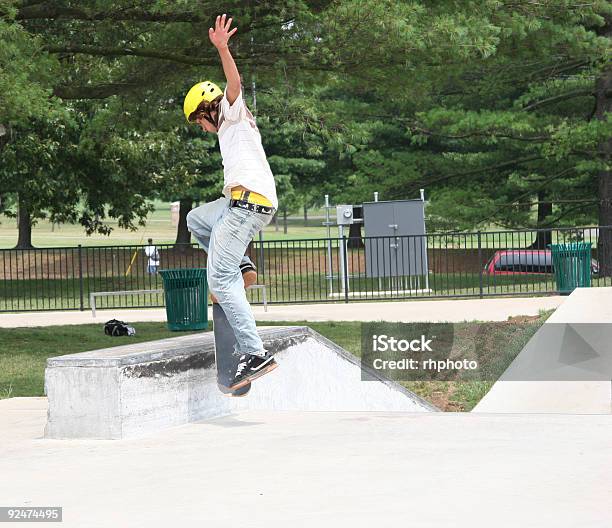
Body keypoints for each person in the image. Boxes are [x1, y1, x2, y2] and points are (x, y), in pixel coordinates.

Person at [184, 13, 278, 391]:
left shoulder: (232, 113)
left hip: (246, 207)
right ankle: (241, 266)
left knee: (218, 280)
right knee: (196, 219)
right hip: (237, 204)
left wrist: (223, 48)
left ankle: (256, 354)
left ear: (208, 108)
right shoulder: (227, 128)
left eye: (198, 121)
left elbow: (234, 83)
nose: (201, 128)